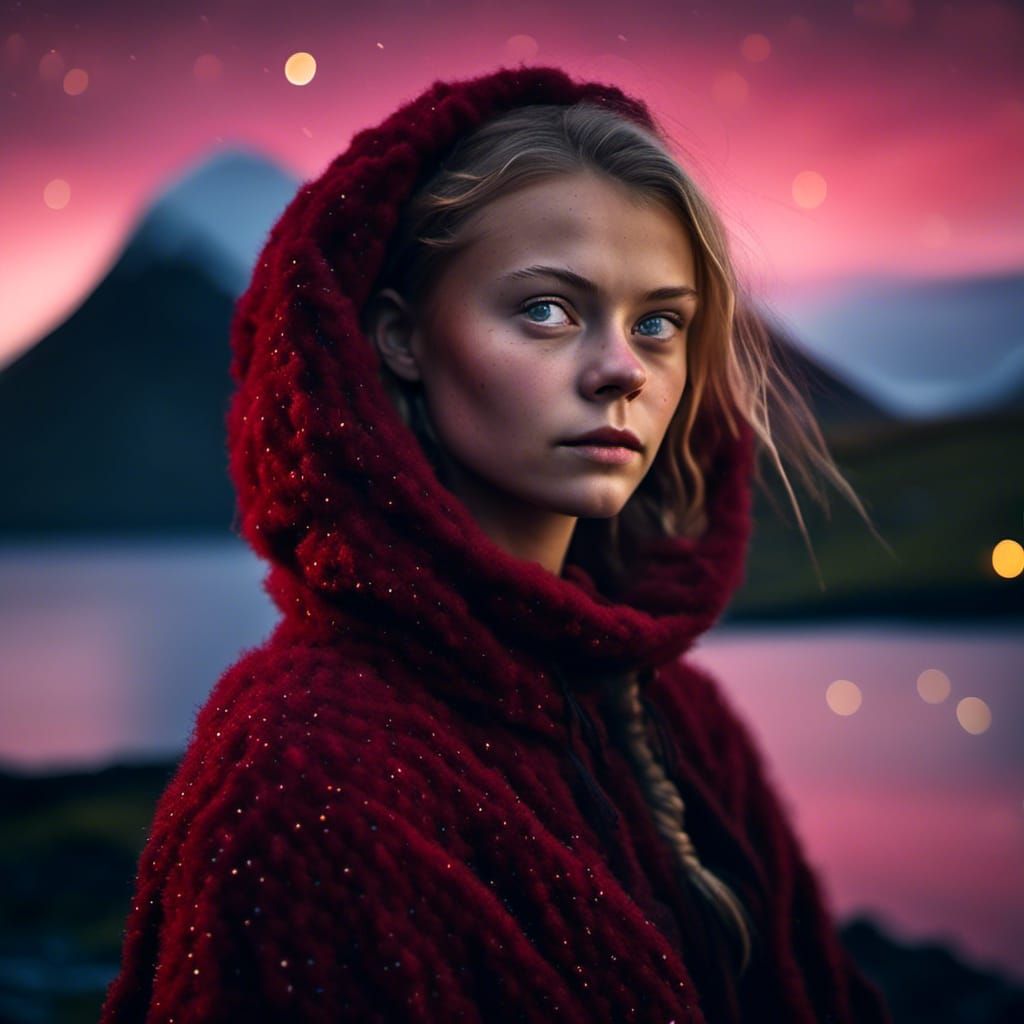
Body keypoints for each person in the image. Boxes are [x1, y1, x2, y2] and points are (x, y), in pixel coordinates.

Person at [100, 65, 893, 1023]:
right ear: (400, 338)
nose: (618, 372)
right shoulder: (298, 782)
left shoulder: (679, 716)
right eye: (547, 310)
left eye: (659, 324)